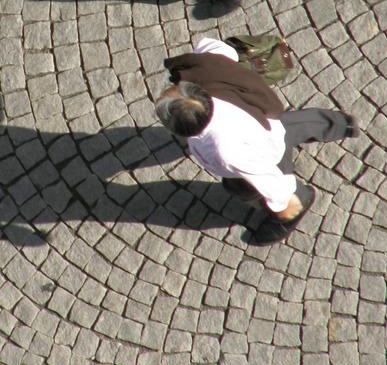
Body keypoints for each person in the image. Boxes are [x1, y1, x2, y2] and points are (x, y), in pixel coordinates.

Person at [154, 38, 359, 230]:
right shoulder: (207, 71)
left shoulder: (227, 151)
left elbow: (265, 178)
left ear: (182, 130)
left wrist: (285, 204)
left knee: (243, 190)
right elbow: (219, 49)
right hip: (264, 116)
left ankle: (302, 198)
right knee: (296, 126)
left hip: (267, 150)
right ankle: (343, 124)